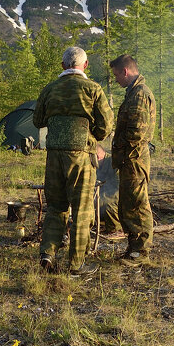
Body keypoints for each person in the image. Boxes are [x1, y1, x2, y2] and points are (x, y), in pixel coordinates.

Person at [32, 46, 113, 275]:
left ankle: (47, 253)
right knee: (82, 209)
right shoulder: (93, 89)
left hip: (54, 155)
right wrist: (92, 136)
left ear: (62, 66)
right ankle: (76, 263)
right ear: (85, 65)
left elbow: (38, 120)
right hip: (81, 156)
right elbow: (106, 125)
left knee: (56, 206)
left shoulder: (50, 89)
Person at [109, 54, 156, 265]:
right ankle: (133, 247)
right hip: (129, 158)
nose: (116, 79)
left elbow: (136, 132)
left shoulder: (139, 94)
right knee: (128, 204)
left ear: (125, 71)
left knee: (137, 204)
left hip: (134, 159)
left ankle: (141, 251)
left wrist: (118, 147)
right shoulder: (133, 92)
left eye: (117, 75)